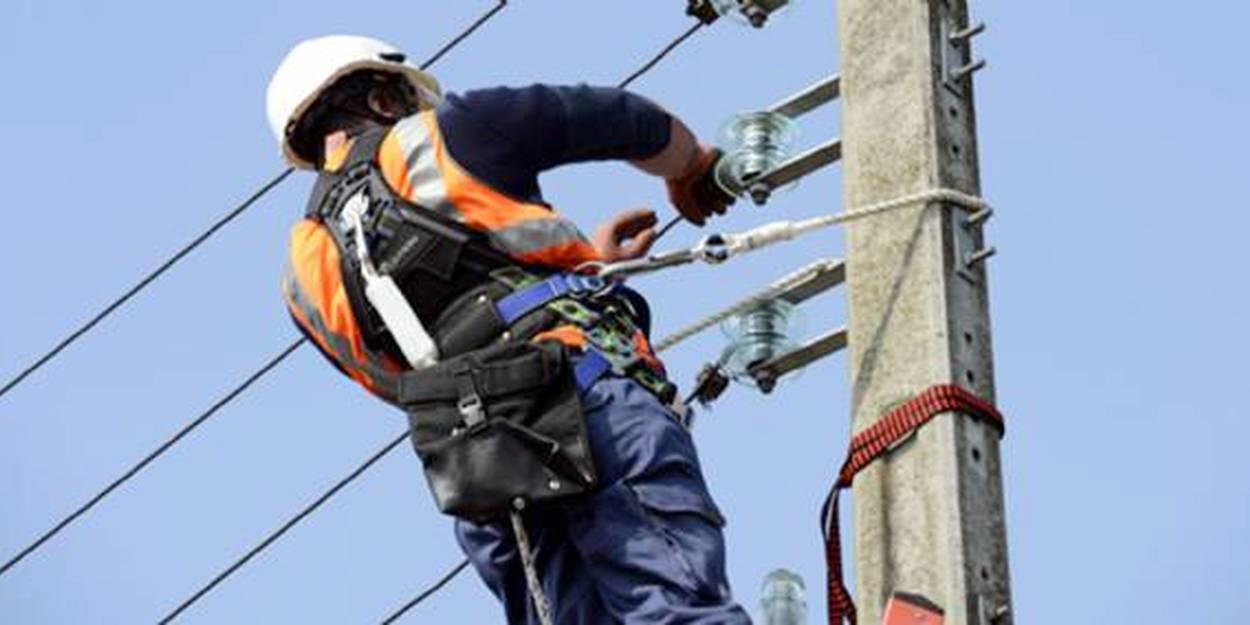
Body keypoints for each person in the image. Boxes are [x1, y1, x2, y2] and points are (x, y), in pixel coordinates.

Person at [266, 35, 750, 624]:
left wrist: (579, 270)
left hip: (480, 472)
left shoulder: (301, 276)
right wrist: (692, 166)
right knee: (673, 605)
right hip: (584, 402)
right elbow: (614, 118)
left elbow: (406, 376)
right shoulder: (446, 135)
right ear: (382, 101)